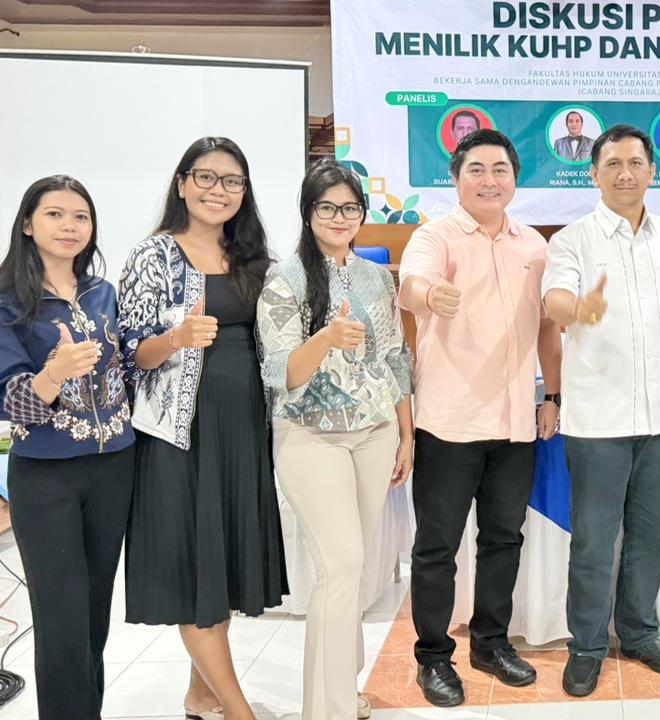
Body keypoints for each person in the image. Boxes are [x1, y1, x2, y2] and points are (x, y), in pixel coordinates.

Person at [118, 137, 287, 720]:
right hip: (180, 436)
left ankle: (199, 695)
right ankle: (239, 712)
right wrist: (176, 340)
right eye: (207, 177)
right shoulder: (153, 255)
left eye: (232, 181)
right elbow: (131, 354)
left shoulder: (256, 258)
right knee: (195, 567)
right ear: (183, 183)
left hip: (243, 431)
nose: (220, 190)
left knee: (221, 566)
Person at [398, 128, 563, 708]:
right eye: (476, 169)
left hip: (516, 422)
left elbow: (548, 327)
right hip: (450, 421)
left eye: (500, 170)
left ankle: (491, 644)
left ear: (514, 179)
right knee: (437, 547)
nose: (489, 180)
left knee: (503, 540)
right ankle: (433, 657)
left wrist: (553, 395)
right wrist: (428, 296)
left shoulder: (534, 246)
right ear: (456, 178)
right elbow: (411, 285)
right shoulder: (436, 236)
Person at [542, 124, 660, 697]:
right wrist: (578, 309)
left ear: (652, 171)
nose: (625, 173)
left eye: (635, 163)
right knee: (593, 540)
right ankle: (586, 645)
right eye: (612, 164)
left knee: (652, 536)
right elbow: (555, 301)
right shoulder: (572, 241)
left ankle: (638, 633)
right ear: (594, 174)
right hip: (598, 421)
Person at [256, 158, 414, 720]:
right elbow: (280, 373)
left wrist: (406, 433)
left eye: (350, 207)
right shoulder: (285, 279)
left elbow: (395, 357)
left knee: (354, 566)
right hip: (309, 437)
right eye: (327, 207)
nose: (340, 217)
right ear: (308, 212)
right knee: (341, 564)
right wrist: (326, 336)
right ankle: (328, 708)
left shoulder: (377, 277)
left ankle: (344, 687)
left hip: (375, 433)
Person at [0, 176, 134, 720]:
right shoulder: (8, 302)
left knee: (93, 620)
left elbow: (126, 372)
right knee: (60, 622)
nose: (70, 226)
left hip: (114, 467)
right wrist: (53, 374)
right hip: (45, 474)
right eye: (54, 214)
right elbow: (10, 402)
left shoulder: (103, 292)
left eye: (81, 216)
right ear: (28, 225)